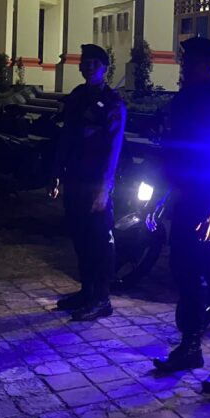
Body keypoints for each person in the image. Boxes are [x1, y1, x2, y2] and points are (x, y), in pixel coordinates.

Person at [153, 36, 210, 394]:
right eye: (184, 61)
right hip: (186, 198)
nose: (184, 67)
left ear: (208, 65)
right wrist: (164, 197)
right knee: (185, 274)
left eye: (190, 62)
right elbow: (175, 153)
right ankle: (190, 347)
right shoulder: (182, 99)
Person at [49, 44, 126, 321]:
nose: (89, 67)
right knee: (80, 237)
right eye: (85, 62)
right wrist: (56, 173)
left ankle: (101, 298)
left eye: (95, 63)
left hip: (96, 181)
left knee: (99, 241)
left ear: (105, 68)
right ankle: (87, 290)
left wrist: (105, 188)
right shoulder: (78, 96)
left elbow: (113, 148)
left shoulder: (113, 102)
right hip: (75, 176)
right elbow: (66, 138)